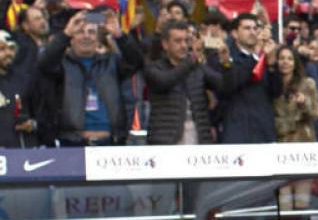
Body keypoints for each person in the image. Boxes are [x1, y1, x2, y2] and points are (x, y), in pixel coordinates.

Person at [37, 10, 144, 146]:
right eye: (80, 32)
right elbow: (44, 63)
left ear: (98, 38)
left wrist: (119, 34)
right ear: (72, 39)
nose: (86, 36)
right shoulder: (62, 65)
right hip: (71, 143)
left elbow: (136, 62)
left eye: (91, 32)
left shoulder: (111, 62)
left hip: (110, 143)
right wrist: (65, 33)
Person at [144, 20, 224, 144]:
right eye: (178, 41)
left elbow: (221, 85)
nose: (184, 46)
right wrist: (191, 60)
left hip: (198, 138)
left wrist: (223, 61)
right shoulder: (154, 68)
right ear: (165, 44)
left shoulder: (196, 66)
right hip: (167, 140)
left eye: (186, 41)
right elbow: (165, 81)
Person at [217, 13, 281, 143]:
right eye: (247, 28)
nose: (252, 32)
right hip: (237, 133)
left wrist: (272, 65)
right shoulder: (227, 56)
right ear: (235, 33)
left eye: (255, 28)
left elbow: (276, 91)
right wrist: (256, 57)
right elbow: (232, 84)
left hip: (264, 131)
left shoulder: (266, 57)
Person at [274, 45, 318, 212]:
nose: (285, 62)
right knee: (284, 201)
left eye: (289, 58)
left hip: (303, 145)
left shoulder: (307, 84)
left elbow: (315, 113)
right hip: (280, 147)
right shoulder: (271, 85)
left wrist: (303, 104)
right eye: (281, 58)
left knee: (302, 201)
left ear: (295, 62)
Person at [0, 32, 36, 148]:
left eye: (11, 48)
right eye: (2, 49)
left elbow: (39, 113)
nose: (8, 53)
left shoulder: (25, 80)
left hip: (19, 149)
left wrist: (33, 124)